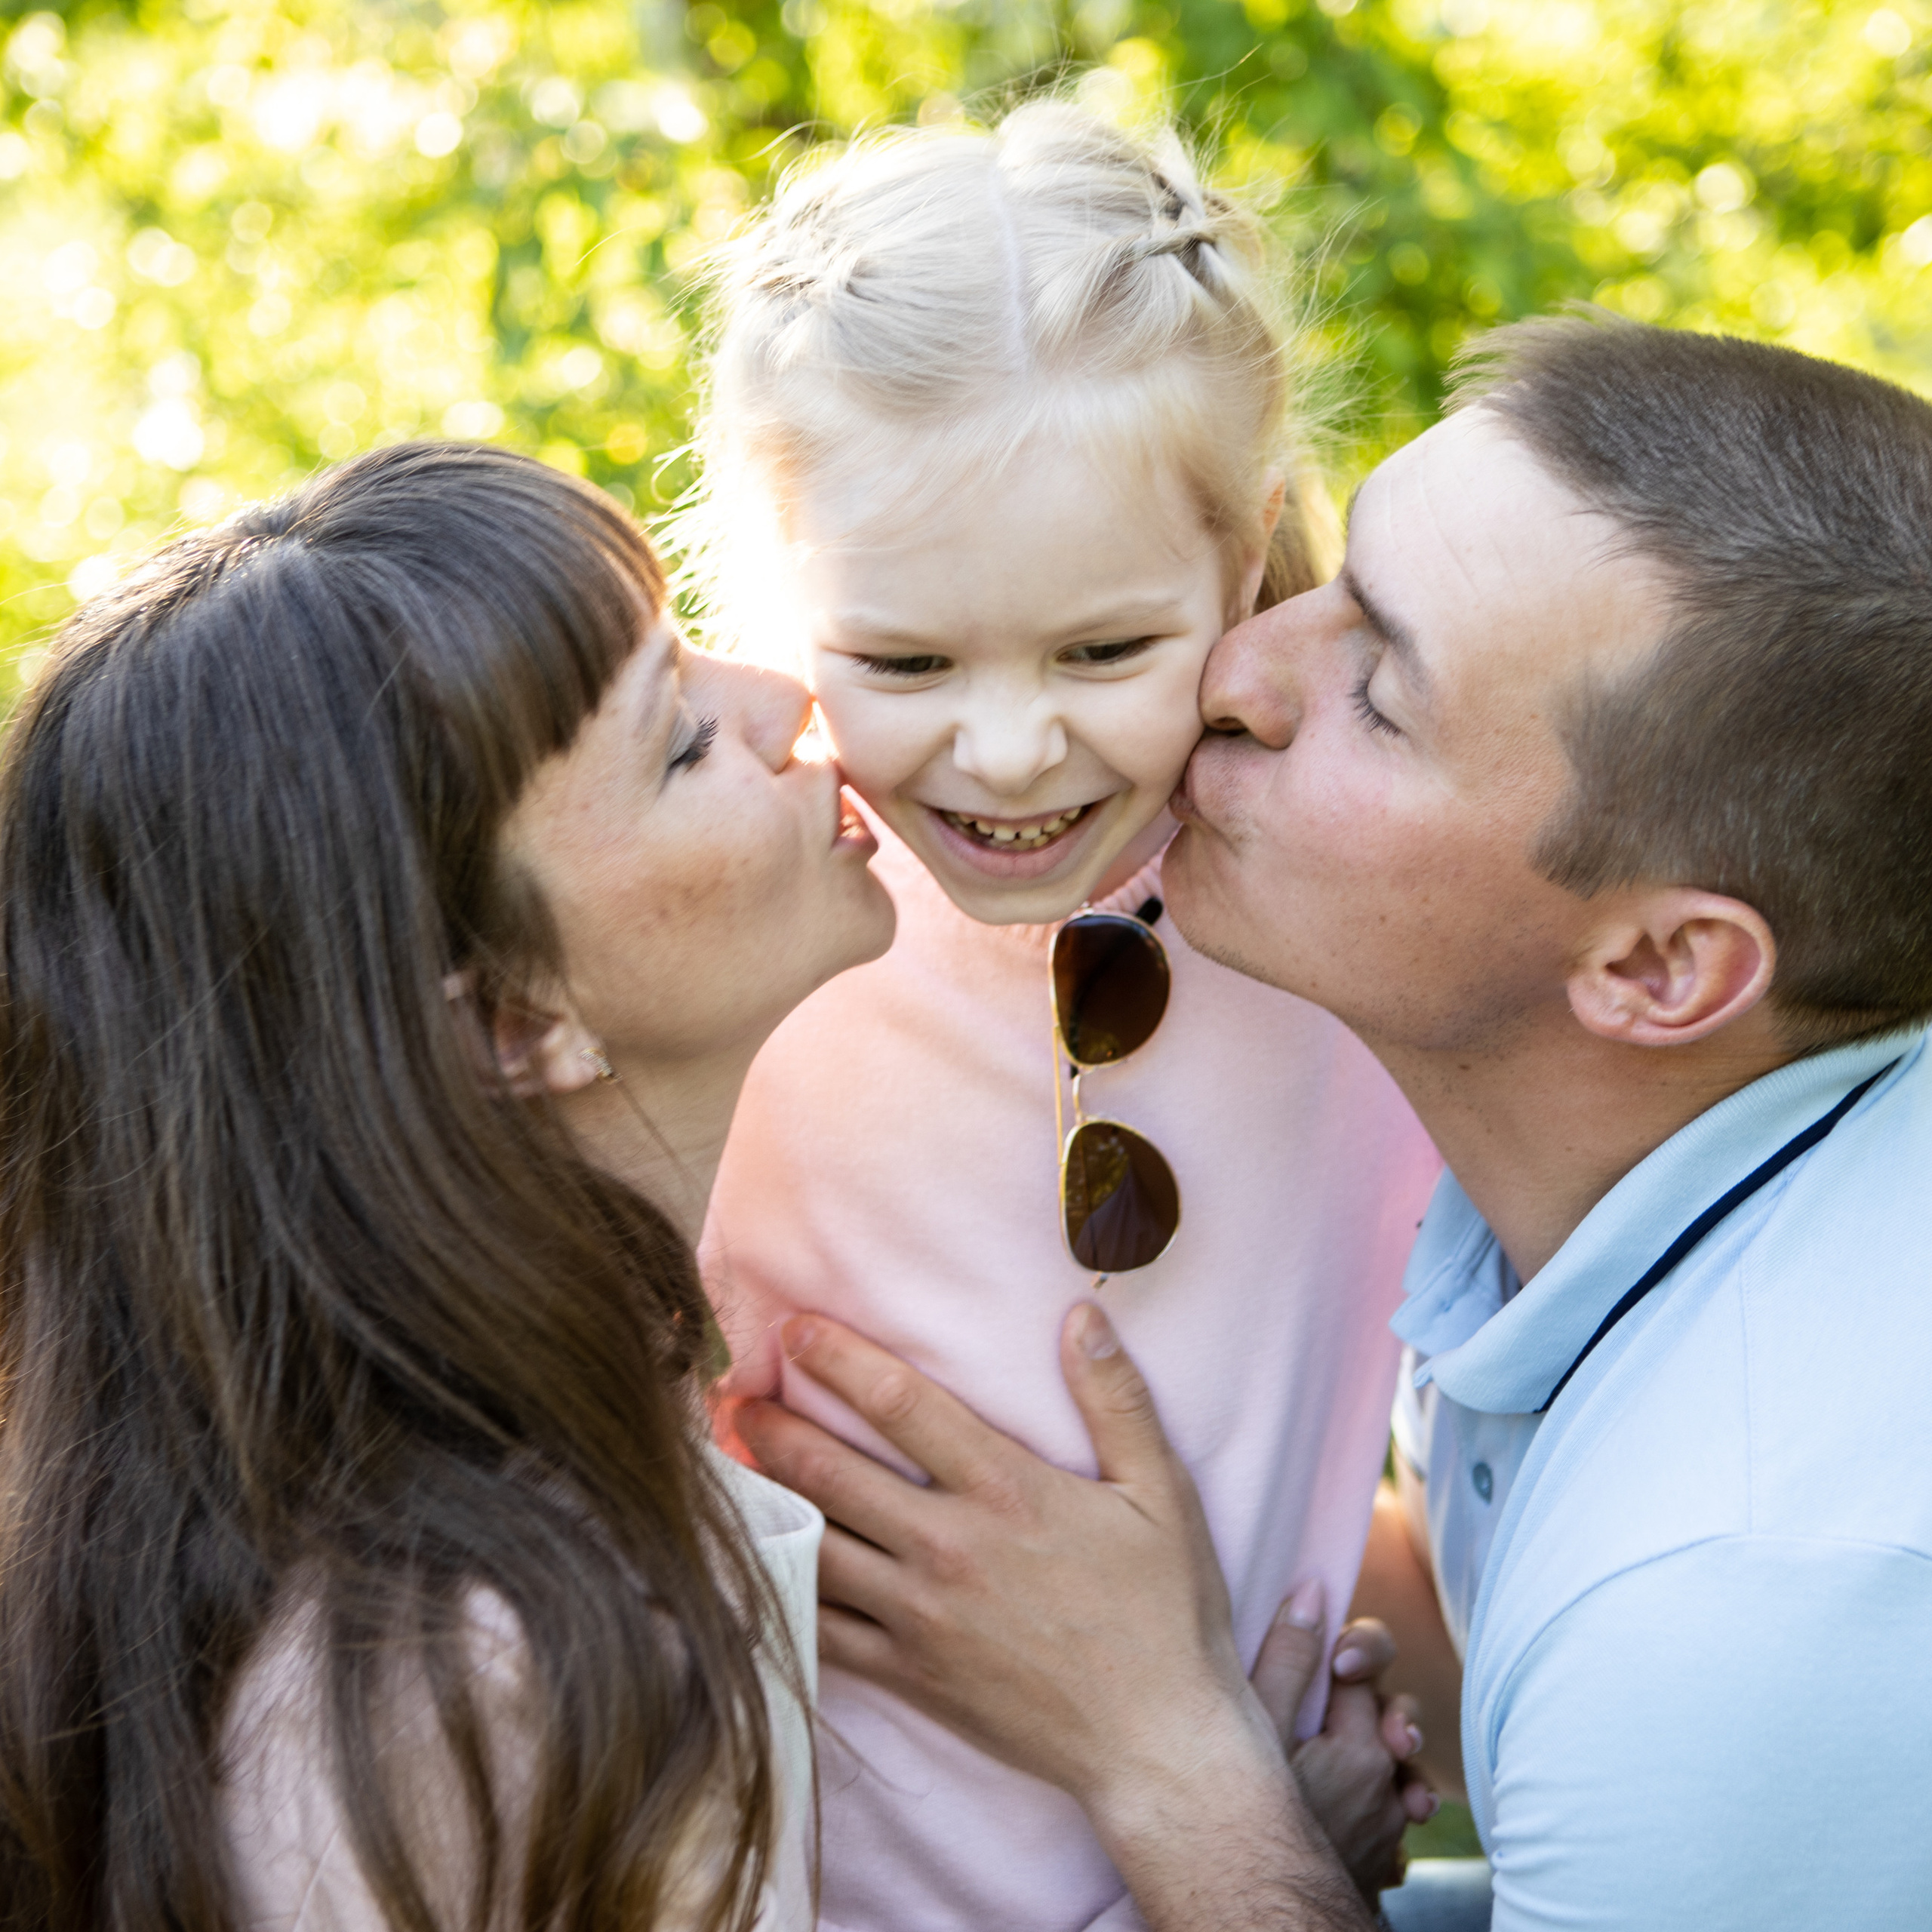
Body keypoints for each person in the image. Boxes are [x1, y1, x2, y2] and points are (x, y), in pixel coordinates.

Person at [738, 315, 1932, 1930]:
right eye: (1330, 579)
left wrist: (1165, 1755)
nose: (1232, 668)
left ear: (1656, 964)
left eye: (1374, 681)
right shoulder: (1629, 1186)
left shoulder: (1743, 1589)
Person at [685, 101, 1441, 1932]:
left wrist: (1268, 1784)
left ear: (1243, 545)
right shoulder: (717, 952)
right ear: (776, 587)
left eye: (1102, 653)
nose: (1008, 750)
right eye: (903, 658)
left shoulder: (1382, 924)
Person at [0, 441, 897, 1930]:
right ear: (506, 1020)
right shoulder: (487, 1669)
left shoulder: (471, 1520)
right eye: (679, 740)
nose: (788, 697)